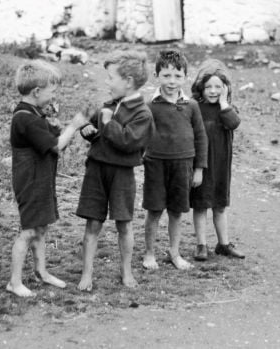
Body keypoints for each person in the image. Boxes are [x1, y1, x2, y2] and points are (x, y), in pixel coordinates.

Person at [7, 59, 87, 297]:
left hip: (41, 178)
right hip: (30, 181)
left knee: (41, 228)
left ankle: (41, 271)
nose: (54, 96)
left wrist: (57, 122)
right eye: (52, 91)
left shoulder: (33, 113)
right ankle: (14, 281)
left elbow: (53, 133)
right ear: (37, 91)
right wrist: (74, 126)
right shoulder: (25, 118)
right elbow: (56, 146)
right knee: (29, 231)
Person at [76, 51, 153, 291]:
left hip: (122, 175)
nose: (107, 83)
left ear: (128, 81)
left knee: (124, 224)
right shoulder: (107, 106)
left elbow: (129, 142)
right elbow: (93, 129)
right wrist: (88, 129)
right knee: (92, 223)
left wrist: (109, 123)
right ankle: (86, 274)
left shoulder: (143, 113)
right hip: (96, 171)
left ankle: (126, 271)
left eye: (111, 78)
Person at [142, 50, 208, 270]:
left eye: (177, 76)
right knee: (154, 210)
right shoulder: (149, 105)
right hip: (156, 164)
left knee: (176, 212)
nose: (172, 81)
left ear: (185, 77)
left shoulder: (192, 106)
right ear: (156, 75)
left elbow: (200, 137)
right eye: (166, 75)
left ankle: (174, 253)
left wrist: (199, 169)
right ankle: (149, 253)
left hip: (183, 165)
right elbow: (140, 133)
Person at [189, 60, 245, 260]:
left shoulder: (228, 108)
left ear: (225, 88)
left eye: (218, 87)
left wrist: (223, 104)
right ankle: (201, 245)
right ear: (200, 88)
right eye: (208, 87)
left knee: (220, 205)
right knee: (201, 205)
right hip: (201, 165)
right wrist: (196, 167)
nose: (213, 91)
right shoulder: (194, 107)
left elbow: (234, 123)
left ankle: (223, 244)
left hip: (221, 165)